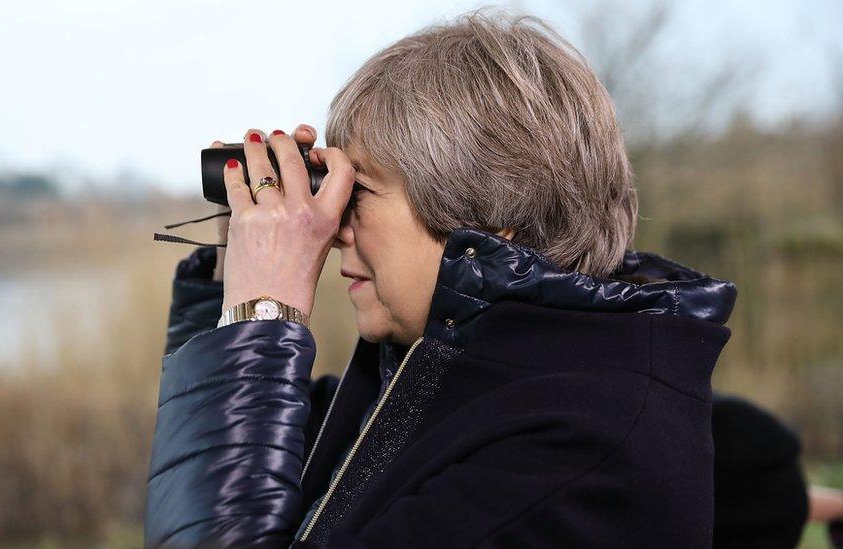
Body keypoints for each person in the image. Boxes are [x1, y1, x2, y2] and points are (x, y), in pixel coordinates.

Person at [144, 9, 740, 547]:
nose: (334, 228)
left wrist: (264, 314)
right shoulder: (434, 379)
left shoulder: (575, 456)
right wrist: (238, 268)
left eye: (361, 192)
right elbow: (217, 474)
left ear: (487, 220)